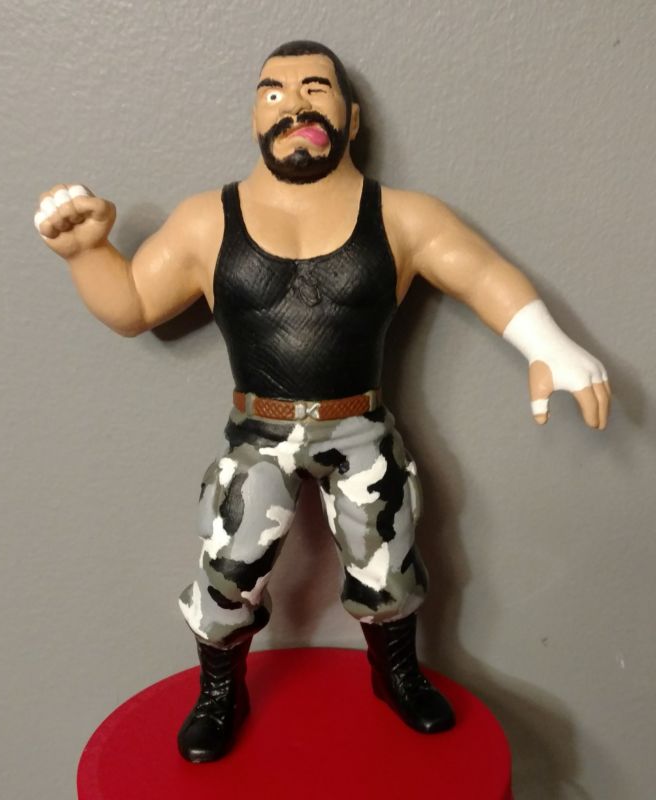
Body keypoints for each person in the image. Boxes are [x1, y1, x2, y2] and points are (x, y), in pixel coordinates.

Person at [34, 41, 610, 763]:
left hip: (359, 428)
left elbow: (480, 272)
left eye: (315, 88)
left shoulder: (400, 216)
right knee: (230, 564)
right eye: (273, 92)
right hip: (259, 432)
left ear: (352, 116)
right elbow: (134, 305)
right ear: (254, 116)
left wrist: (547, 343)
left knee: (388, 561)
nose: (295, 105)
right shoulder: (208, 219)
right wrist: (87, 254)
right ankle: (220, 689)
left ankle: (394, 672)